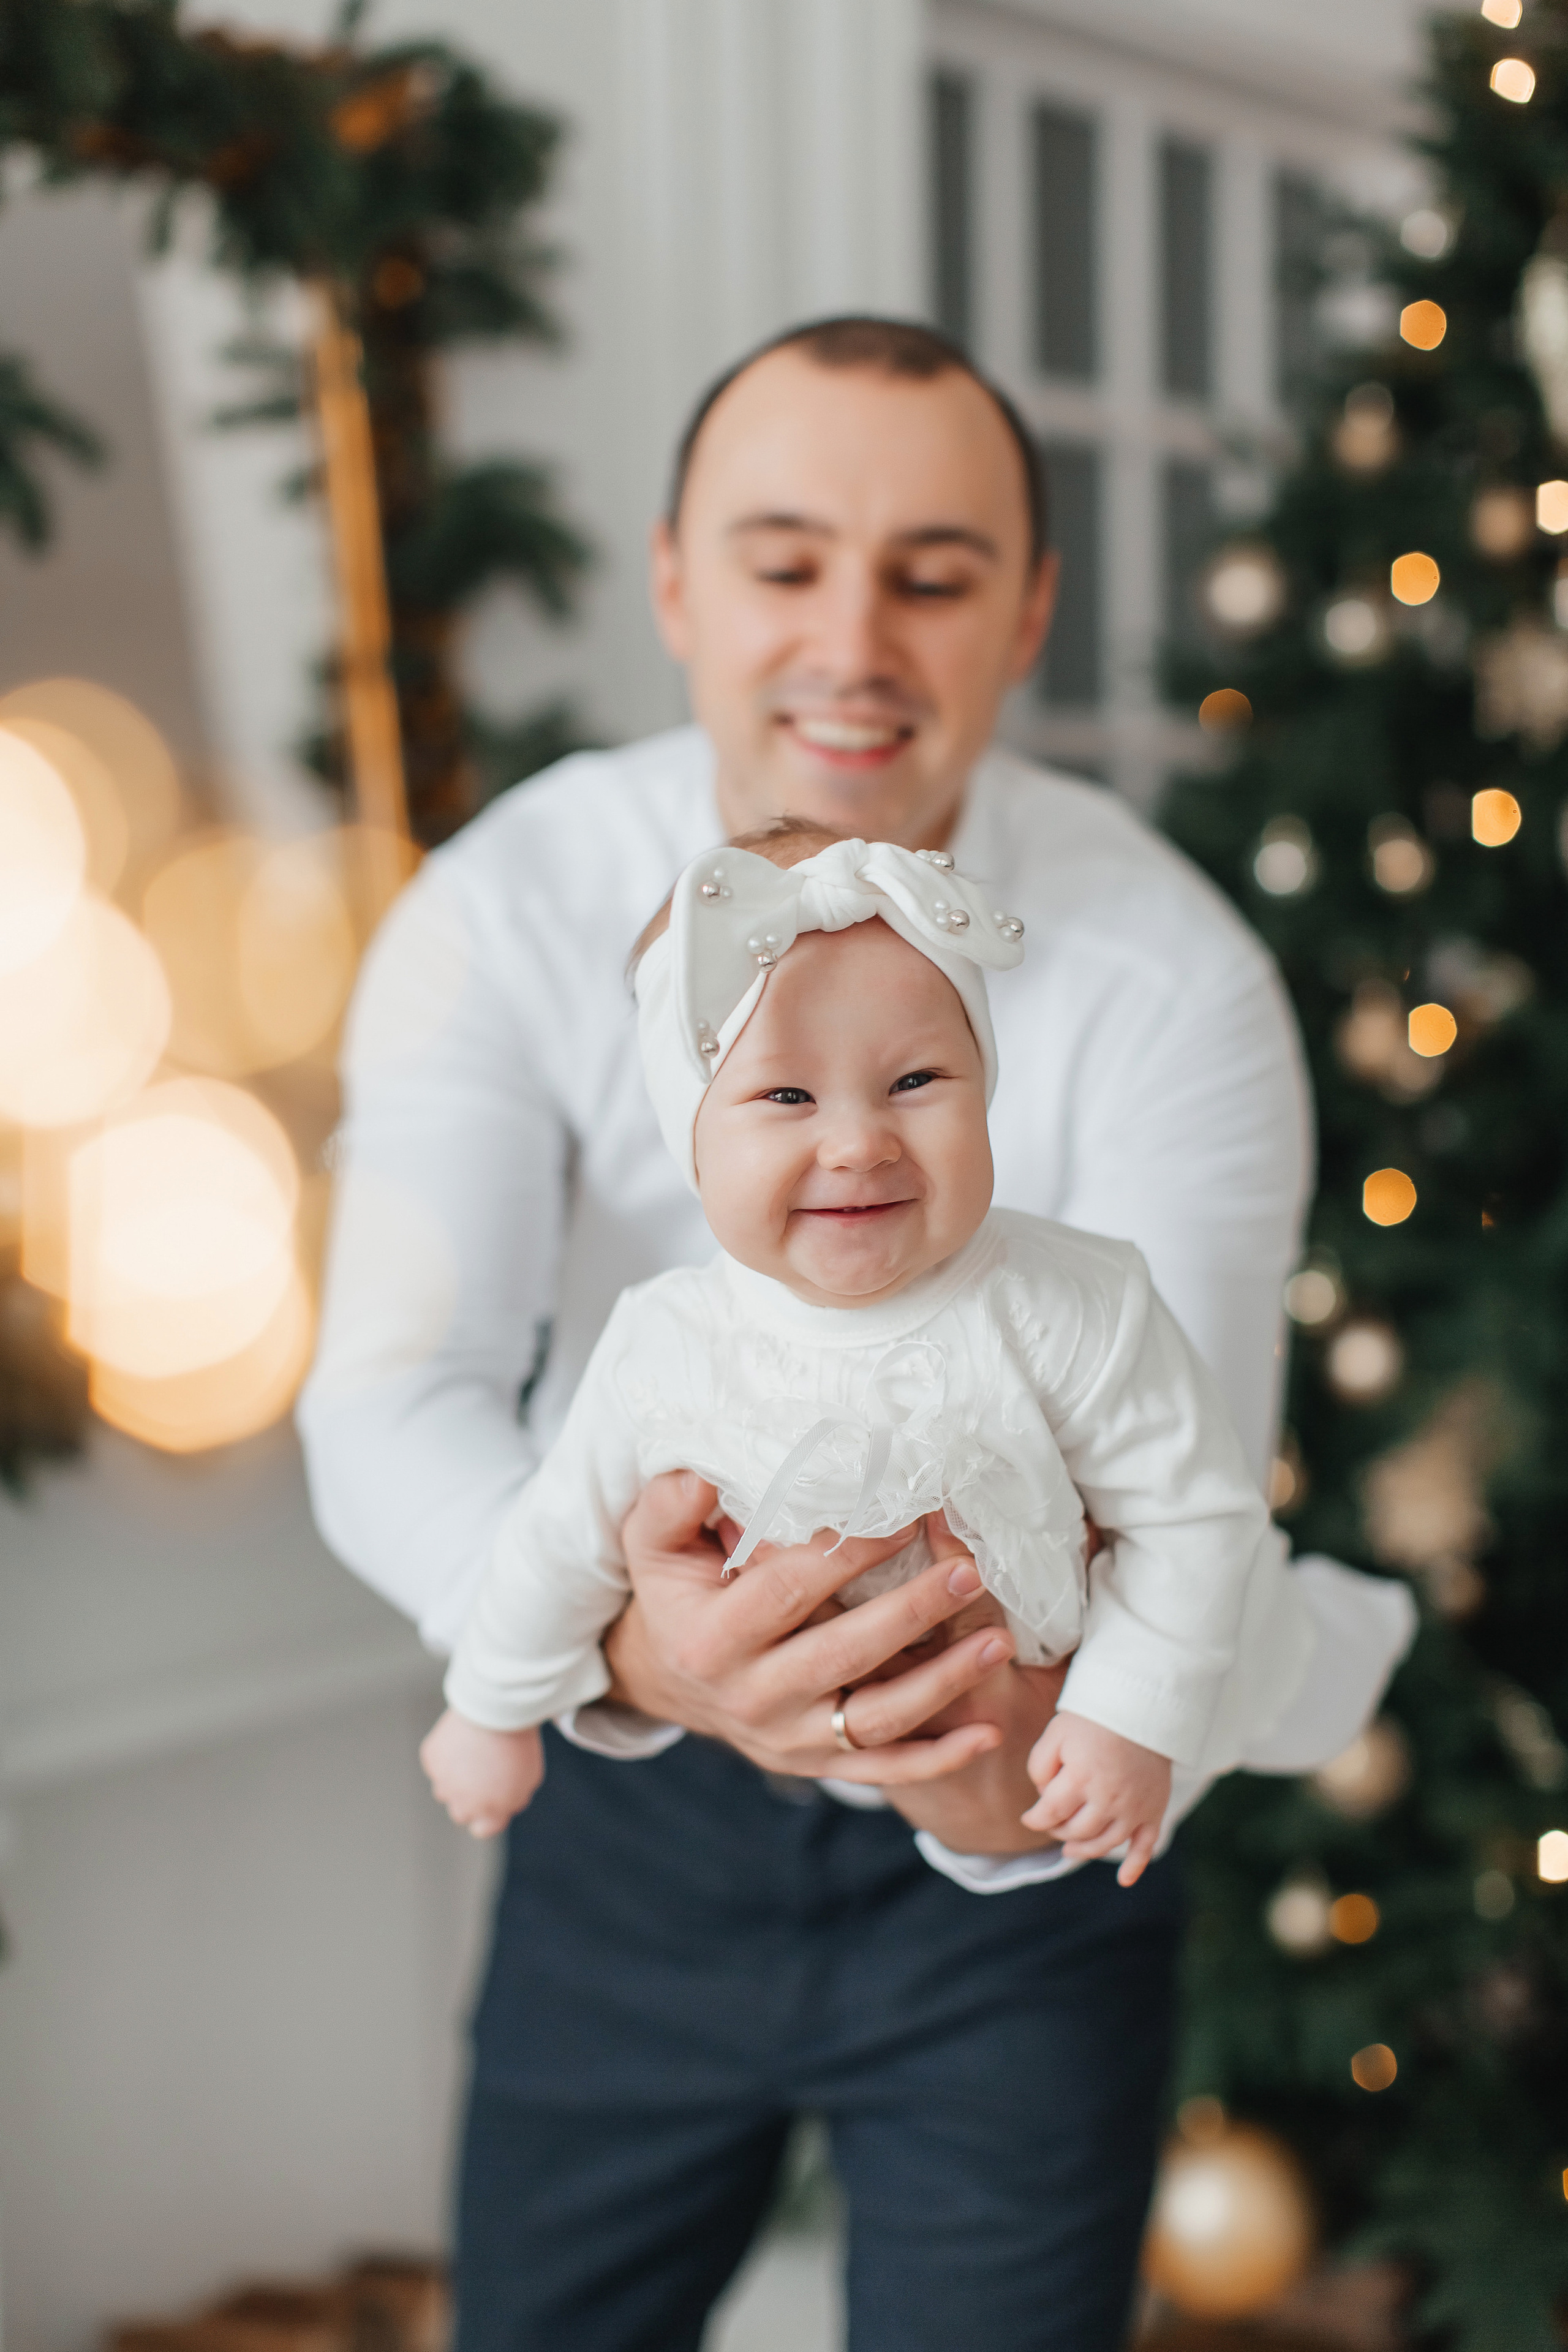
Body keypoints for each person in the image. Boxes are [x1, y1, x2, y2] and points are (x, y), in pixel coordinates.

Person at [299, 316, 1411, 2352]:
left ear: (1031, 611)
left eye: (935, 574)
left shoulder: (1175, 985)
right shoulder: (505, 911)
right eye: (786, 561)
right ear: (674, 583)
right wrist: (629, 1659)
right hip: (618, 1817)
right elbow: (393, 1397)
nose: (854, 643)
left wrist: (1014, 1774)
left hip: (1029, 1794)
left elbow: (1181, 1509)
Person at [420, 823, 1406, 1893]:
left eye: (917, 1080)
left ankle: (1348, 1646)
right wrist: (489, 1708)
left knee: (1268, 1670)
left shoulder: (1064, 1302)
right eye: (787, 1097)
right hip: (724, 1778)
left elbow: (1191, 1519)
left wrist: (1125, 1716)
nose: (859, 1143)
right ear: (691, 1135)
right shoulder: (664, 1346)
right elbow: (555, 1542)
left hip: (1050, 1714)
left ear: (985, 1087)